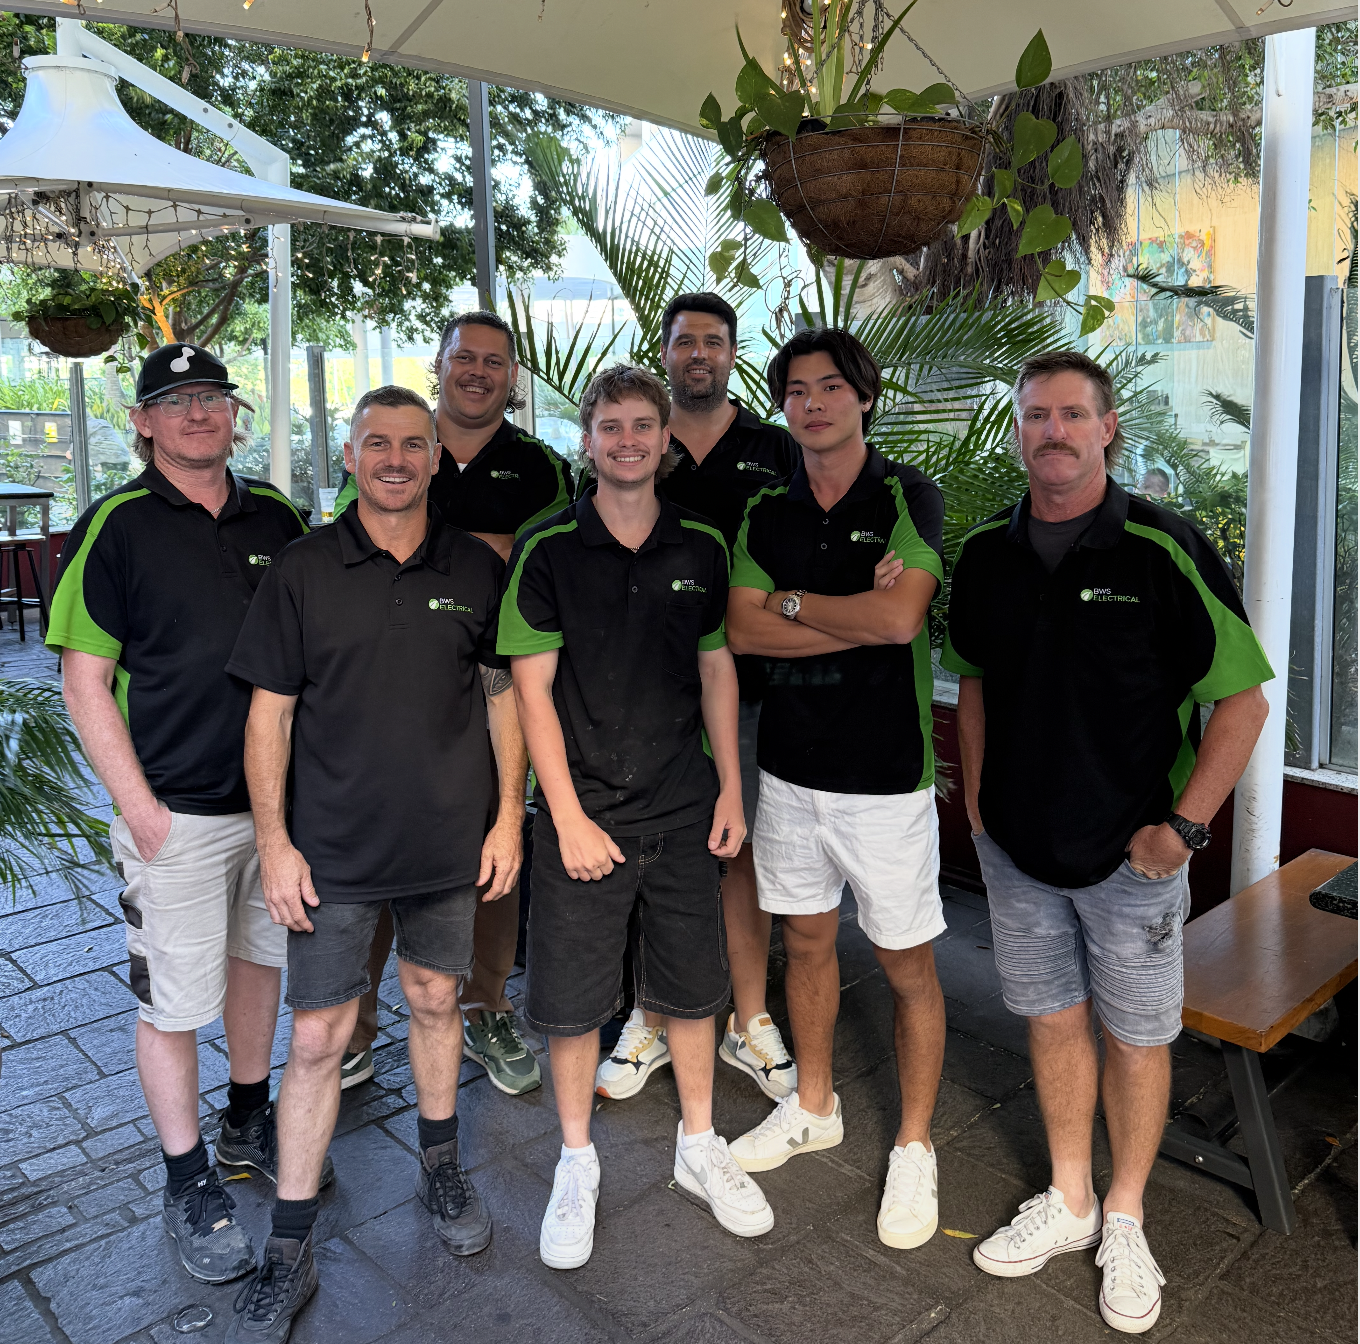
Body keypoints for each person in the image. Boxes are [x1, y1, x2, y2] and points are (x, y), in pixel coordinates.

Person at [942, 349, 1271, 1334]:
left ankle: (1124, 1215)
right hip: (1018, 850)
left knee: (1134, 1039)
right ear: (1017, 430)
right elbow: (974, 684)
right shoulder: (988, 555)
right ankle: (1070, 1196)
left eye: (1071, 415)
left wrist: (1184, 826)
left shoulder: (1161, 549)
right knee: (1049, 1020)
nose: (1052, 431)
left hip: (1131, 860)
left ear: (1106, 428)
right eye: (1035, 415)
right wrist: (977, 812)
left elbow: (1242, 702)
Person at [225, 385, 525, 1341]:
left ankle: (439, 1164)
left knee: (438, 1000)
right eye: (376, 444)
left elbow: (503, 698)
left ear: (437, 458)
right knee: (317, 1038)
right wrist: (274, 844)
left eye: (413, 444)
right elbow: (267, 714)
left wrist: (507, 820)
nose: (396, 458)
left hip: (446, 845)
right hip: (333, 854)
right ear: (347, 456)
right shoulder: (305, 569)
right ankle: (289, 1240)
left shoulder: (475, 568)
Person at [499, 364, 774, 1270]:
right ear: (587, 440)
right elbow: (529, 693)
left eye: (642, 426)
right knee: (575, 1005)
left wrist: (731, 786)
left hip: (683, 805)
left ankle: (700, 1145)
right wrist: (565, 817)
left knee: (695, 989)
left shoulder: (701, 545)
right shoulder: (547, 550)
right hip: (585, 817)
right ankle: (576, 1161)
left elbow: (717, 669)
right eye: (609, 425)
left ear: (664, 440)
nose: (626, 440)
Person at [46, 343, 308, 1284]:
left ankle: (247, 1117)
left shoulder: (277, 517)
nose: (200, 413)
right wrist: (140, 812)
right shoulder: (113, 526)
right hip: (177, 816)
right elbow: (83, 681)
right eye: (177, 400)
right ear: (145, 423)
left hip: (274, 813)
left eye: (214, 398)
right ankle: (186, 1174)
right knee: (173, 1003)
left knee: (257, 968)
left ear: (235, 415)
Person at [725, 326, 949, 1253]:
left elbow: (902, 619)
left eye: (830, 387)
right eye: (796, 390)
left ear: (865, 396)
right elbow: (740, 634)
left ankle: (914, 1143)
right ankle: (814, 1103)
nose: (811, 403)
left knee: (906, 961)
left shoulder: (906, 494)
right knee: (806, 941)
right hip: (788, 769)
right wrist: (841, 618)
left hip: (885, 777)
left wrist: (795, 607)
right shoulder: (764, 509)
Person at [332, 311, 572, 1098]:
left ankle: (486, 1006)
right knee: (369, 846)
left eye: (494, 362)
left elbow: (548, 567)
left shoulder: (539, 467)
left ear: (513, 376)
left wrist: (472, 550)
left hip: (497, 683)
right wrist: (485, 551)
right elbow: (361, 537)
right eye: (463, 358)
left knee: (496, 846)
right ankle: (353, 1025)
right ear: (439, 365)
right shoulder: (394, 438)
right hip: (388, 678)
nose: (477, 372)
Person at [592, 293, 801, 1105]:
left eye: (714, 342)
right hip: (647, 702)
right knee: (656, 856)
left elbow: (812, 555)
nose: (699, 355)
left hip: (747, 693)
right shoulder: (640, 441)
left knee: (736, 851)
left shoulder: (774, 450)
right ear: (667, 353)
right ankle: (648, 1017)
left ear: (733, 353)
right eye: (685, 343)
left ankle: (749, 1020)